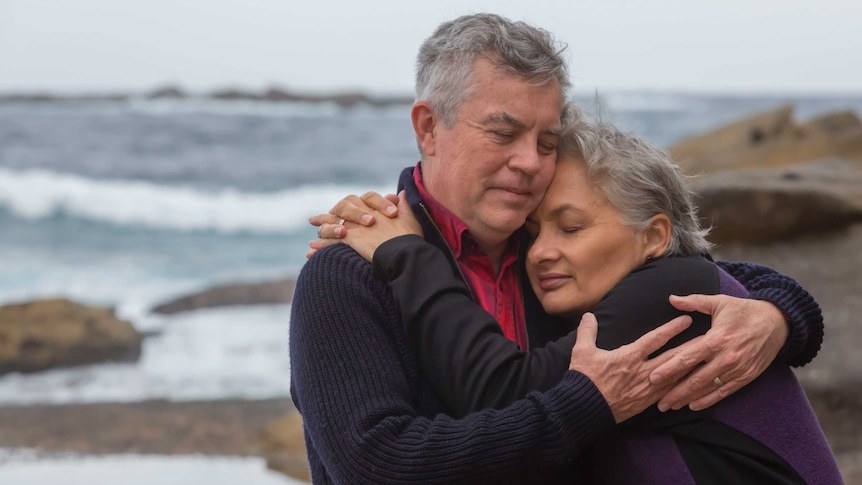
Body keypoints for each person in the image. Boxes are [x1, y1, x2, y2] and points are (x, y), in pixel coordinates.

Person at [292, 13, 823, 484]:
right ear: (429, 128)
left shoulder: (549, 268)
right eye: (503, 133)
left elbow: (703, 276)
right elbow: (376, 467)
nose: (529, 162)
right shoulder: (348, 274)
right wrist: (591, 404)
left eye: (547, 142)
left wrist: (779, 315)